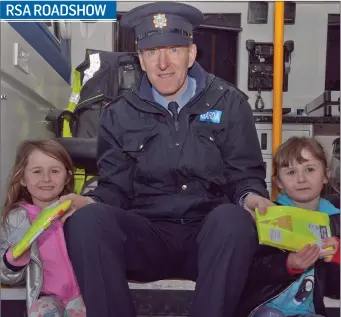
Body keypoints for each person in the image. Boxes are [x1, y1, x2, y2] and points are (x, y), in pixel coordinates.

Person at [60, 2, 274, 317]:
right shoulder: (118, 114)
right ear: (141, 59)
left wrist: (251, 197)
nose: (162, 63)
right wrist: (90, 202)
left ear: (191, 53)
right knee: (86, 221)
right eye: (151, 52)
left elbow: (245, 175)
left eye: (173, 50)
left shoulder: (229, 103)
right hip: (147, 235)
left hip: (208, 239)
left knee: (234, 221)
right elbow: (114, 187)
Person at [235, 137, 340, 317]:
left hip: (308, 312)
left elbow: (334, 289)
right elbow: (248, 271)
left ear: (325, 175)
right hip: (261, 308)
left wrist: (337, 257)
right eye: (291, 172)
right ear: (279, 183)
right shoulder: (268, 215)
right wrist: (288, 264)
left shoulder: (335, 219)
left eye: (309, 169)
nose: (301, 179)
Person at [0, 140, 86, 317]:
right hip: (47, 296)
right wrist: (14, 258)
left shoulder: (78, 210)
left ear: (67, 176)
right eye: (37, 171)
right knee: (42, 311)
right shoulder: (16, 219)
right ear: (22, 177)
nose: (46, 179)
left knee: (82, 310)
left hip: (84, 293)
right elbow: (5, 276)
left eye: (54, 171)